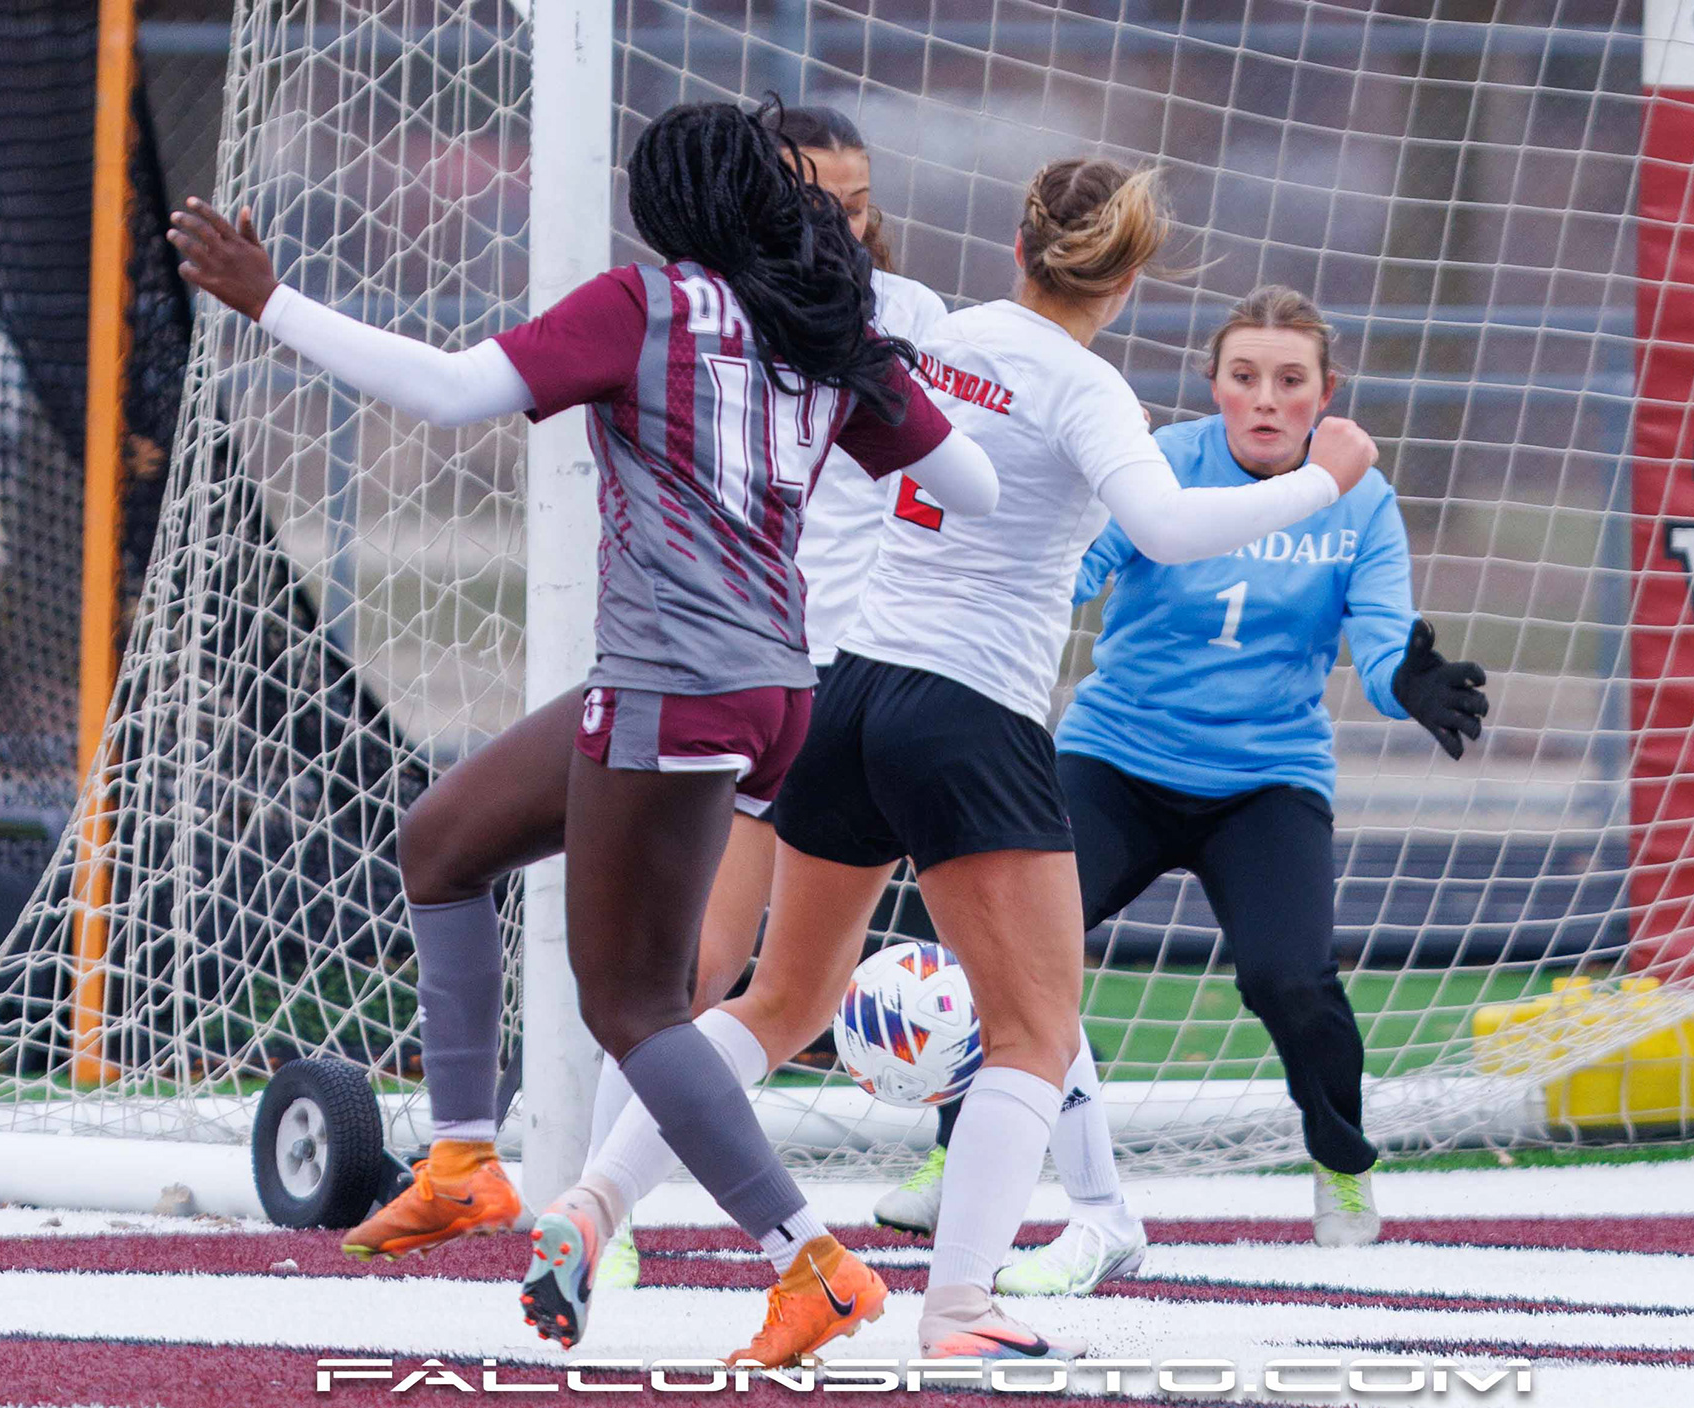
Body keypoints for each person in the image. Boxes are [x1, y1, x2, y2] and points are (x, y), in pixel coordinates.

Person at [169, 99, 998, 1362]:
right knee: (443, 840)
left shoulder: (645, 304)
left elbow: (451, 390)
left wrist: (270, 300)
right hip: (771, 686)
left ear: (670, 208)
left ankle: (812, 1267)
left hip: (675, 685)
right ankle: (463, 1160)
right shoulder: (829, 330)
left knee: (634, 1008)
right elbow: (971, 485)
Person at [533, 157, 1379, 1363]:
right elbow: (1168, 527)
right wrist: (1322, 479)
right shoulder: (1086, 387)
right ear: (1129, 277)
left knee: (778, 1002)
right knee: (1036, 1032)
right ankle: (960, 1306)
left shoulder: (937, 337)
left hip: (851, 688)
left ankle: (593, 1199)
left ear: (1020, 247)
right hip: (968, 715)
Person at [967, 284, 1490, 1296]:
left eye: (1290, 380)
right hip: (1115, 759)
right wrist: (1009, 565)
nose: (1266, 398)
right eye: (1245, 376)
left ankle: (1341, 1161)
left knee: (1290, 978)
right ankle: (959, 1152)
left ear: (1326, 395)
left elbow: (1386, 645)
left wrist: (1409, 682)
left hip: (1266, 780)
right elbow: (1077, 568)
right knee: (1012, 949)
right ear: (1214, 385)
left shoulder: (1361, 499)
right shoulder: (1161, 463)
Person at [571, 104, 949, 1292]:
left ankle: (1041, 1189)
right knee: (695, 969)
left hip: (887, 678)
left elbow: (972, 468)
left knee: (995, 944)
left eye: (860, 201)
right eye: (817, 198)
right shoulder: (709, 313)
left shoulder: (914, 320)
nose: (845, 222)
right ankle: (599, 1212)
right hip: (762, 670)